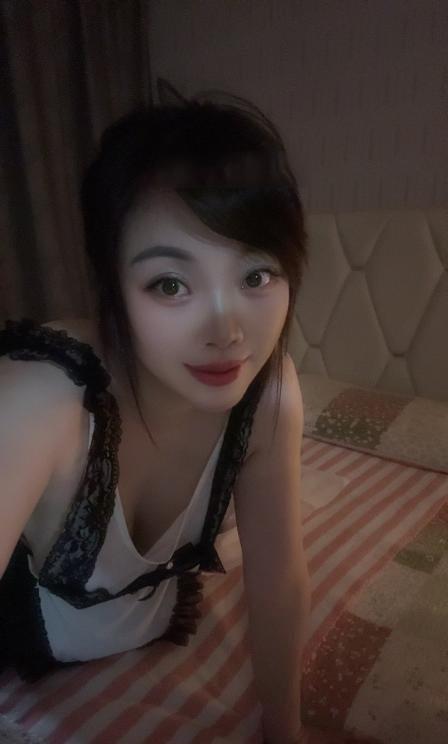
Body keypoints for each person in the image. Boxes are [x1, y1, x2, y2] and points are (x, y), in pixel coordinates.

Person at [0, 89, 311, 744]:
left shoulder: (270, 395)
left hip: (149, 628)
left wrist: (285, 732)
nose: (227, 331)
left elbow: (278, 578)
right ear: (111, 285)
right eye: (171, 284)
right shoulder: (43, 396)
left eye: (257, 275)